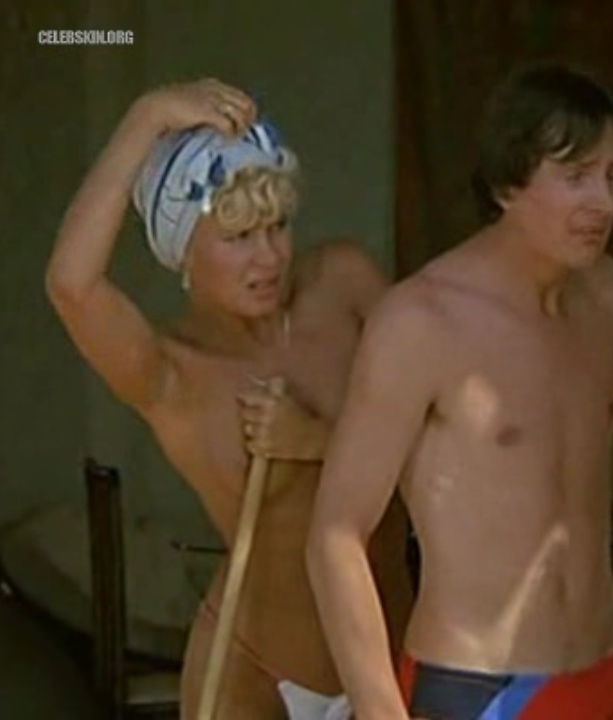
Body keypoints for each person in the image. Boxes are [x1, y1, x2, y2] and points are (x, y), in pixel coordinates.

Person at [305, 63, 613, 720]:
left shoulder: (610, 296)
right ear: (509, 185)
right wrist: (379, 711)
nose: (603, 201)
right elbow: (335, 533)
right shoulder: (423, 320)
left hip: (602, 676)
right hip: (480, 688)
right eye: (577, 176)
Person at [45, 79, 414, 719]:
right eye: (239, 236)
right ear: (183, 252)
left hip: (391, 655)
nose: (268, 257)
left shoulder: (344, 283)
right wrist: (147, 116)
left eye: (277, 226)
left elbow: (445, 427)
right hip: (258, 670)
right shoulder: (172, 374)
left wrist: (318, 440)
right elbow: (71, 284)